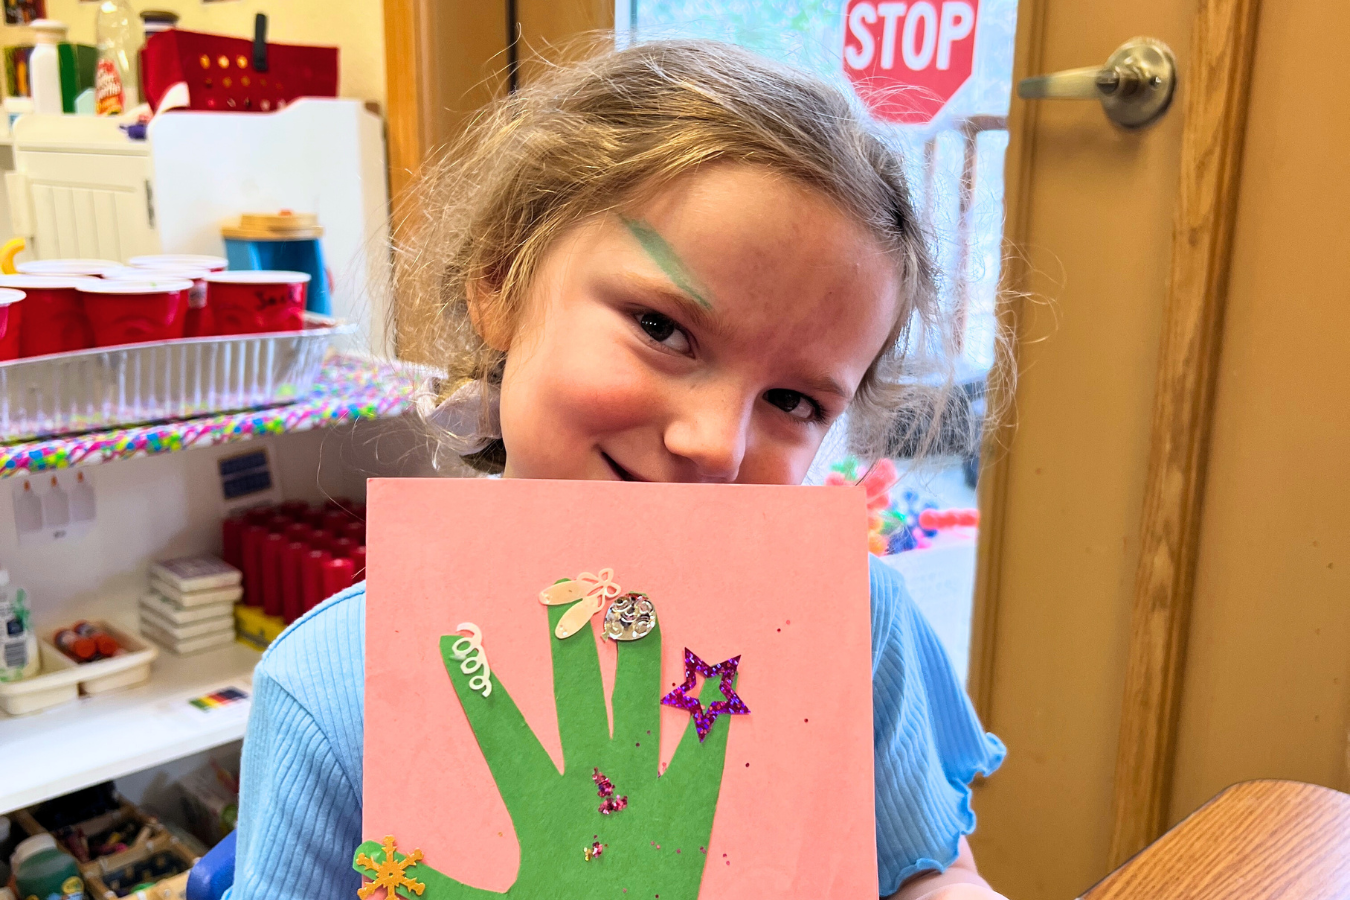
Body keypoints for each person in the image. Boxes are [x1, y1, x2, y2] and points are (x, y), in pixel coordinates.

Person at [229, 39, 1006, 900]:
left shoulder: (854, 619)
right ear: (500, 283)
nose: (715, 444)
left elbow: (928, 869)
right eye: (663, 329)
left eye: (792, 401)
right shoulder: (334, 684)